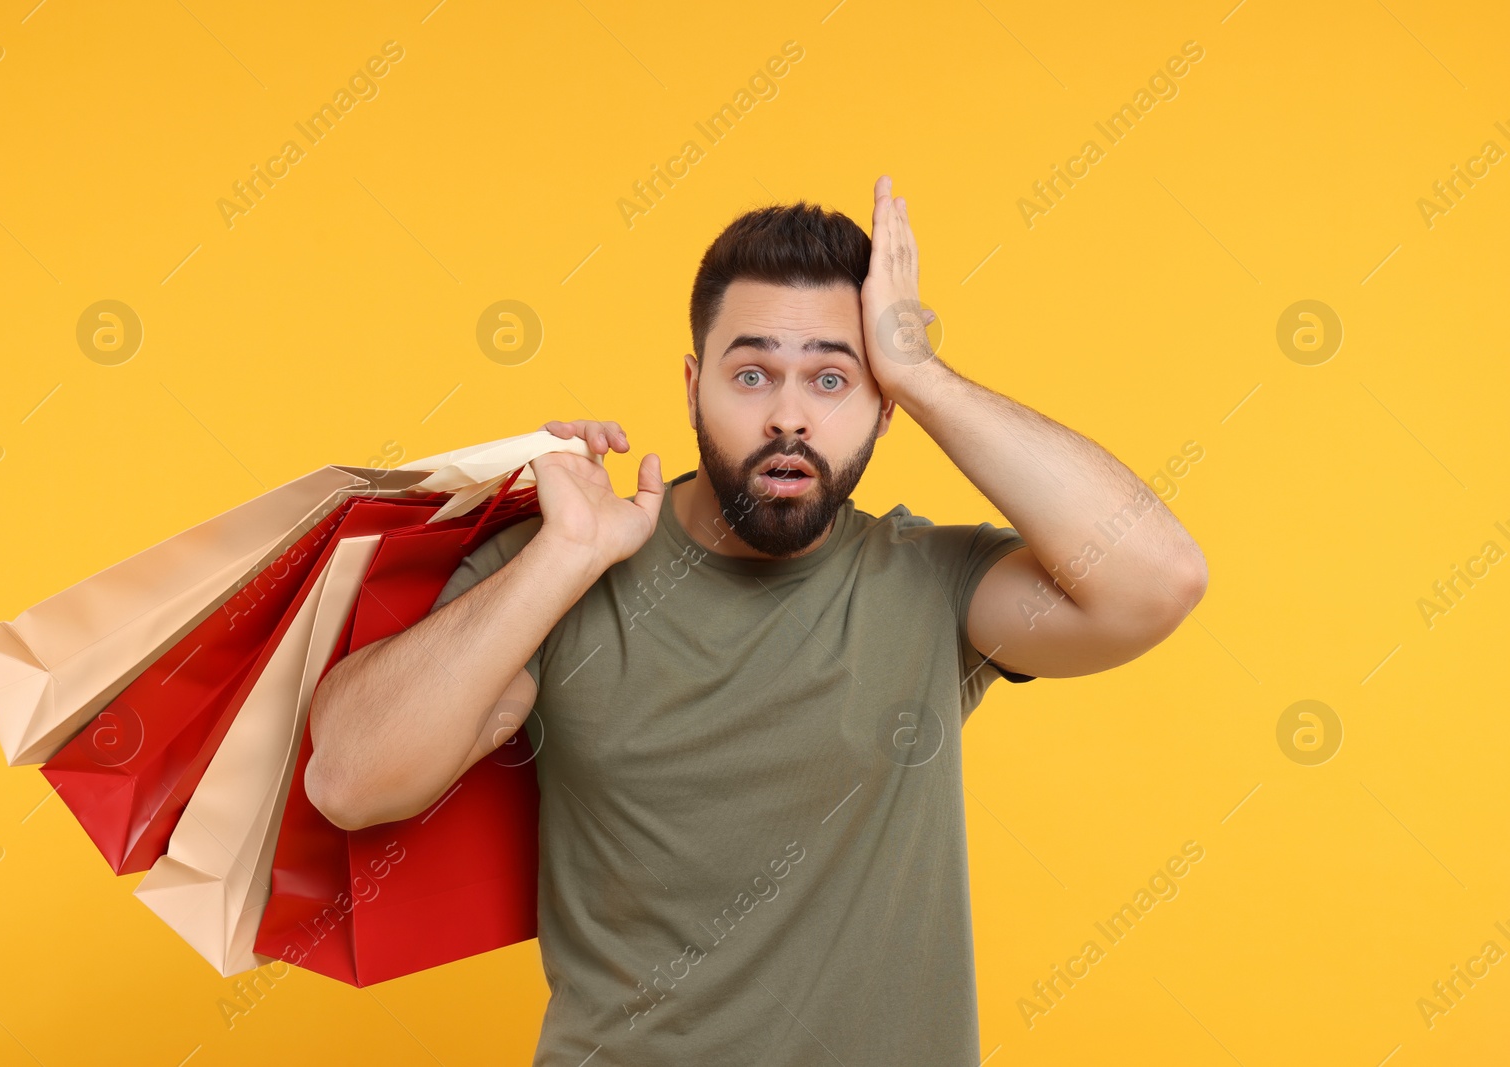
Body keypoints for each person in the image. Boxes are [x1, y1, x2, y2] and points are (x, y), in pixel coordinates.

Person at [303, 175, 1208, 1064]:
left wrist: (924, 372)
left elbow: (1156, 578)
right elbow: (351, 778)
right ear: (694, 386)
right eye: (751, 373)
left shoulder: (935, 588)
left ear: (883, 408)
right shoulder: (565, 569)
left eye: (830, 378)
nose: (788, 416)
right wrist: (562, 555)